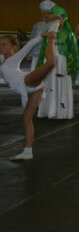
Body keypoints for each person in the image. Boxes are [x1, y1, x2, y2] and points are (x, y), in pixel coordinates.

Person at [1, 30, 58, 160]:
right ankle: (28, 152)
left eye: (4, 45)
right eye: (0, 44)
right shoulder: (2, 57)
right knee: (26, 119)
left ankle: (52, 36)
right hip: (33, 89)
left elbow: (29, 45)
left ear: (13, 47)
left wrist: (43, 36)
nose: (1, 47)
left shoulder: (14, 57)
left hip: (26, 81)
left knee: (50, 63)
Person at [36, 5, 79, 120]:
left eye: (58, 18)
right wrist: (40, 65)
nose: (56, 20)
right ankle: (48, 110)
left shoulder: (69, 33)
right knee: (49, 83)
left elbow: (74, 52)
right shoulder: (48, 32)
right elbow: (43, 50)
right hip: (48, 60)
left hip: (62, 62)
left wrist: (73, 67)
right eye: (54, 18)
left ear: (63, 19)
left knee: (61, 83)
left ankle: (61, 111)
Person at [28, 0, 55, 67]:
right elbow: (32, 37)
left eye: (48, 13)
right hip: (37, 52)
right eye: (44, 13)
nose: (46, 15)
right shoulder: (37, 25)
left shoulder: (55, 25)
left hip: (48, 52)